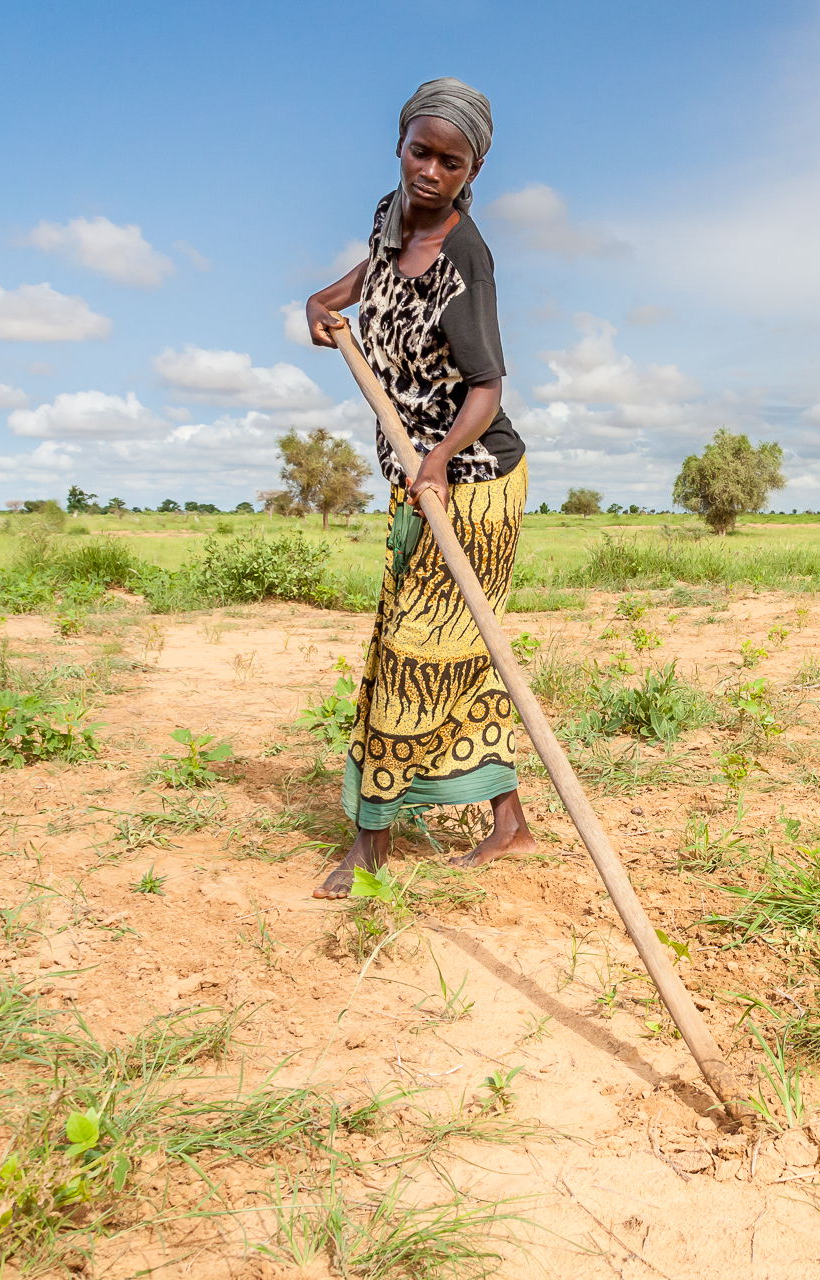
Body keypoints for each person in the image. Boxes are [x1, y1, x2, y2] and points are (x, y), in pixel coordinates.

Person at [304, 77, 537, 898]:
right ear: (401, 147)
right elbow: (374, 271)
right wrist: (328, 299)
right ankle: (508, 822)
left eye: (450, 161)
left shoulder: (466, 263)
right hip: (423, 483)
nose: (430, 172)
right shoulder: (391, 211)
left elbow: (487, 386)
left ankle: (371, 843)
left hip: (471, 486)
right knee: (452, 654)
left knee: (410, 657)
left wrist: (435, 462)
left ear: (471, 173)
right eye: (420, 152)